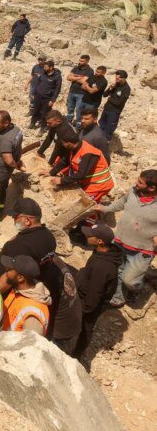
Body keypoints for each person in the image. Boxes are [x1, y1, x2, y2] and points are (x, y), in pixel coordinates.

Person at [0, 198, 82, 353]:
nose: (13, 220)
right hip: (58, 309)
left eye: (16, 217)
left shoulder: (18, 247)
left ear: (27, 221)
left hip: (30, 311)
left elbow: (6, 281)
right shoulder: (48, 236)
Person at [95, 170, 157, 307]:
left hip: (143, 250)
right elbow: (121, 203)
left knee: (130, 281)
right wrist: (105, 209)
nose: (136, 183)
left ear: (152, 188)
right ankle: (118, 298)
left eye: (140, 182)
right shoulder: (133, 192)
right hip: (120, 241)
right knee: (118, 270)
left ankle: (136, 289)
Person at [72, 223, 122, 363]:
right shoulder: (102, 252)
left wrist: (81, 309)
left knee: (86, 328)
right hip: (87, 289)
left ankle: (76, 355)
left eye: (90, 235)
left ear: (100, 241)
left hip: (89, 304)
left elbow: (94, 295)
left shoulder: (102, 266)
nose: (87, 235)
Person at [47, 130, 113, 203]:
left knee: (84, 205)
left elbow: (81, 174)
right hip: (89, 182)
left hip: (99, 185)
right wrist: (51, 173)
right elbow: (64, 161)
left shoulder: (88, 153)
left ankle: (94, 213)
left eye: (63, 144)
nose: (63, 146)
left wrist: (61, 180)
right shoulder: (75, 147)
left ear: (68, 143)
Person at [0, 255, 52, 335]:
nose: (6, 271)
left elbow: (31, 344)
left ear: (20, 278)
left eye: (9, 269)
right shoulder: (18, 290)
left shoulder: (33, 315)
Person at [29, 60, 61, 131]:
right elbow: (38, 82)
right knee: (35, 111)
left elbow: (57, 90)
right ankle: (32, 123)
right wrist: (35, 93)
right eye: (44, 67)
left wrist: (52, 100)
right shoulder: (43, 73)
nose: (44, 68)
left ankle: (42, 128)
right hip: (38, 96)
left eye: (46, 67)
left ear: (51, 67)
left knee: (44, 114)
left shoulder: (57, 77)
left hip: (47, 98)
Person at [99, 70, 130, 140]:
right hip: (106, 109)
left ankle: (104, 147)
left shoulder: (126, 89)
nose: (116, 80)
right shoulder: (115, 84)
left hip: (114, 112)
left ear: (124, 78)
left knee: (108, 131)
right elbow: (104, 95)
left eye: (118, 78)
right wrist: (110, 88)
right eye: (116, 78)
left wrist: (110, 99)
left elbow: (119, 103)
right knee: (101, 126)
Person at [65, 54, 94, 129]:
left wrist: (74, 77)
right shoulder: (76, 67)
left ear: (87, 61)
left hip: (81, 94)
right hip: (72, 91)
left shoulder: (90, 71)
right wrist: (79, 77)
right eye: (79, 60)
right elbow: (68, 77)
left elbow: (83, 81)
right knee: (70, 108)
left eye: (82, 61)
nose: (80, 62)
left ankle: (78, 127)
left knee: (79, 111)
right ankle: (68, 122)